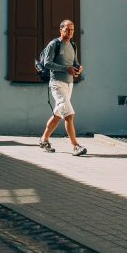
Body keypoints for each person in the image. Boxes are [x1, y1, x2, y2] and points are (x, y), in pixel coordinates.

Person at [38, 19, 86, 156]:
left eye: (72, 30)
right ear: (61, 30)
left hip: (69, 84)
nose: (70, 32)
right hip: (57, 84)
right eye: (67, 29)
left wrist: (78, 68)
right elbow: (47, 63)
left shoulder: (73, 45)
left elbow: (75, 62)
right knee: (69, 115)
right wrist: (66, 69)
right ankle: (75, 146)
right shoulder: (54, 44)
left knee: (58, 115)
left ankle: (44, 139)